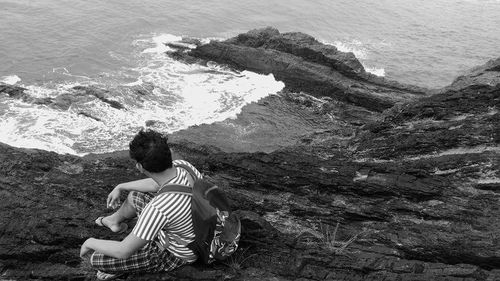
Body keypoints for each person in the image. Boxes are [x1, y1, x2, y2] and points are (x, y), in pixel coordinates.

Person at [80, 129, 203, 280]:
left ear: (140, 167)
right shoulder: (183, 167)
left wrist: (89, 242)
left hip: (178, 253)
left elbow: (123, 251)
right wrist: (121, 186)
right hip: (194, 228)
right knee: (136, 195)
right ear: (168, 153)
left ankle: (126, 268)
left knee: (95, 257)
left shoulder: (159, 208)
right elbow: (155, 183)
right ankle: (113, 220)